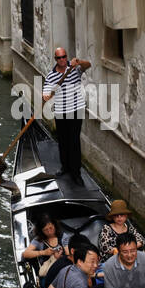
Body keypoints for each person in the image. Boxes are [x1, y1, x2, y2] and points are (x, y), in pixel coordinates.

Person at [43, 47, 91, 186]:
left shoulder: (74, 68)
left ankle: (76, 173)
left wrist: (80, 62)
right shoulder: (51, 76)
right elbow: (46, 92)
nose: (62, 59)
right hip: (61, 112)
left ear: (66, 57)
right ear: (55, 59)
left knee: (74, 141)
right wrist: (46, 95)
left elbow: (88, 65)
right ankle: (65, 167)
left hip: (76, 110)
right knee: (63, 141)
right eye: (59, 58)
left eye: (64, 56)